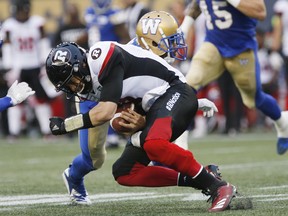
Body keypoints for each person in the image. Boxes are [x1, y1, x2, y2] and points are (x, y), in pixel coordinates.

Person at [46, 41, 236, 212]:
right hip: (154, 107)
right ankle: (201, 177)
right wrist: (138, 123)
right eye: (68, 86)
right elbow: (116, 115)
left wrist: (64, 125)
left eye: (73, 80)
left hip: (174, 91)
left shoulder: (102, 56)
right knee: (124, 171)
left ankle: (217, 186)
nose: (74, 87)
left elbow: (105, 112)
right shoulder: (88, 88)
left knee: (153, 143)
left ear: (81, 65)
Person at [180, 0, 288, 154]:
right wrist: (184, 27)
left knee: (254, 97)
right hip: (213, 45)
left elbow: (261, 12)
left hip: (241, 48)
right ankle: (180, 147)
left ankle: (283, 122)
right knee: (187, 86)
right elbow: (198, 4)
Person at [83, 0, 131, 148]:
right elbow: (91, 34)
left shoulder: (115, 13)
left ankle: (123, 134)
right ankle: (109, 135)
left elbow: (125, 36)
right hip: (94, 60)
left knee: (116, 97)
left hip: (111, 59)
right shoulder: (89, 12)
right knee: (97, 97)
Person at [1, 0, 52, 139]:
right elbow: (7, 47)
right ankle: (14, 132)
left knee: (41, 99)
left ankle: (47, 131)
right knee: (14, 100)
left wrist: (45, 63)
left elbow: (43, 44)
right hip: (17, 67)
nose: (21, 14)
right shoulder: (9, 25)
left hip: (35, 65)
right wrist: (8, 67)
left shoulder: (37, 22)